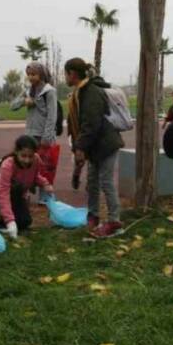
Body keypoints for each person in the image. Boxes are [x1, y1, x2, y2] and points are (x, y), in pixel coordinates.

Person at [65, 58, 124, 239]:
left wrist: (80, 147)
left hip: (105, 145)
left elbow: (91, 124)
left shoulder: (91, 92)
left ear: (72, 74)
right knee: (92, 183)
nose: (65, 77)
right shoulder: (79, 92)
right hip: (94, 146)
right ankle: (93, 216)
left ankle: (114, 222)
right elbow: (79, 123)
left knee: (105, 181)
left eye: (65, 73)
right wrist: (79, 147)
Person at [0, 135, 53, 239]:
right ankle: (4, 222)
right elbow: (3, 193)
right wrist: (10, 221)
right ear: (16, 152)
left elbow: (35, 175)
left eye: (30, 156)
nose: (27, 160)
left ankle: (4, 225)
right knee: (17, 188)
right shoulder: (8, 164)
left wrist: (45, 184)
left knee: (25, 222)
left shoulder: (36, 159)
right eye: (23, 156)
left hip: (17, 195)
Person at [19, 62, 60, 186]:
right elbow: (12, 105)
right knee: (27, 166)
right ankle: (25, 193)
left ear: (41, 75)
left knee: (45, 167)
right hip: (29, 136)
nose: (31, 77)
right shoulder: (28, 91)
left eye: (34, 74)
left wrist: (46, 138)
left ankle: (45, 196)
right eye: (29, 74)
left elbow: (52, 116)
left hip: (43, 136)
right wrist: (24, 101)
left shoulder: (49, 91)